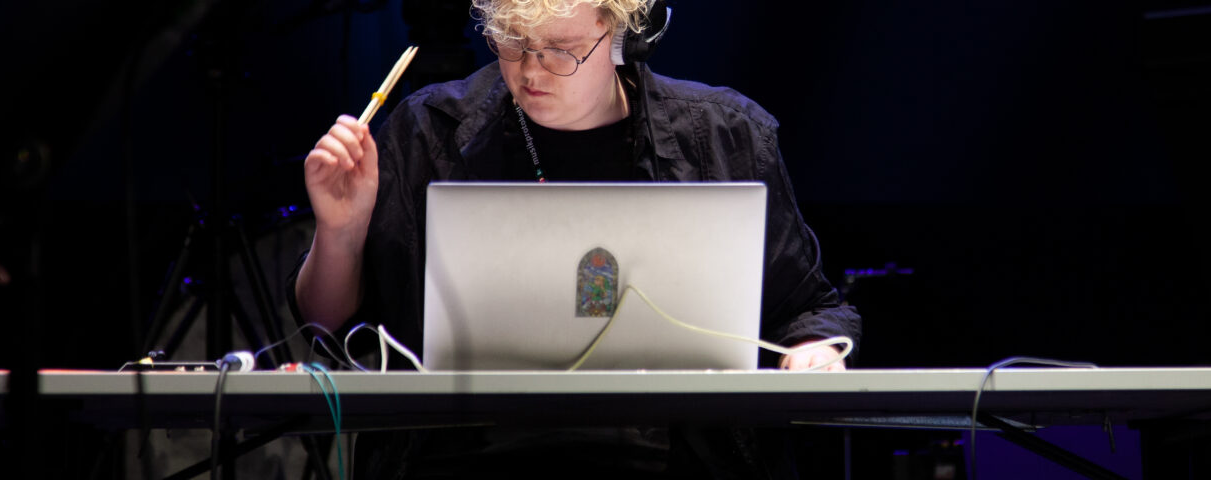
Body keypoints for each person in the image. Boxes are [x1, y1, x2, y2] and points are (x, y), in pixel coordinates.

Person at [289, 0, 862, 476]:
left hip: (676, 459)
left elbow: (810, 309)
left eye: (560, 51)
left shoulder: (723, 136)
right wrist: (341, 230)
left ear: (618, 38)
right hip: (464, 455)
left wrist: (813, 352)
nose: (531, 72)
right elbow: (329, 330)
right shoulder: (426, 131)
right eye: (512, 43)